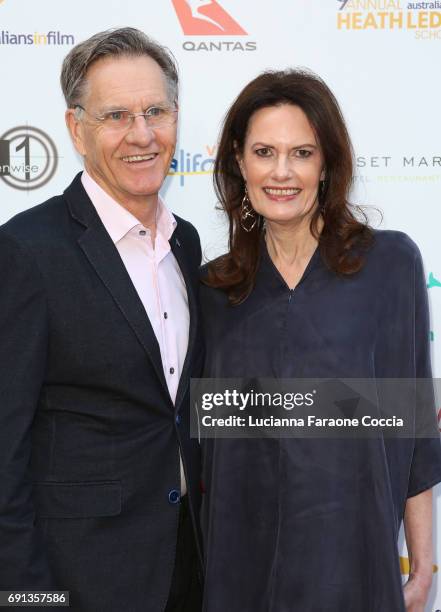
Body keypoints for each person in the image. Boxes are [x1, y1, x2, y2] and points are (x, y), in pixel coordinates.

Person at [199, 69, 441, 611]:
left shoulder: (390, 265)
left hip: (355, 566)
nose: (282, 172)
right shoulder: (214, 291)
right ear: (239, 161)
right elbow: (205, 451)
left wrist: (423, 567)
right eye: (264, 151)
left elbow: (415, 428)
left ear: (327, 163)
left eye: (302, 153)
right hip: (242, 570)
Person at [0, 28, 203, 612]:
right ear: (75, 129)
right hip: (78, 579)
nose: (141, 135)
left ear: (175, 117)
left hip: (187, 571)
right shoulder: (26, 252)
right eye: (116, 115)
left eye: (155, 111)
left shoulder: (185, 244)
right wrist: (29, 599)